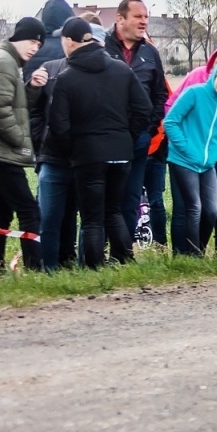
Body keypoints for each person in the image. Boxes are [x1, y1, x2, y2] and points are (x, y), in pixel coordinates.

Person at [49, 18, 152, 268]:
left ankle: (95, 268)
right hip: (121, 151)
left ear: (70, 42)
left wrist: (73, 150)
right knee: (113, 211)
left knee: (92, 218)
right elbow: (144, 109)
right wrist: (127, 135)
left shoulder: (66, 78)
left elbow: (59, 125)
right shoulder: (121, 70)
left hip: (88, 155)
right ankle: (124, 259)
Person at [0, 17, 45, 272]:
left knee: (1, 214)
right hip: (2, 152)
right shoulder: (5, 63)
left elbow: (8, 101)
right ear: (17, 37)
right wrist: (18, 140)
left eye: (38, 45)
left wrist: (31, 88)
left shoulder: (2, 59)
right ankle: (34, 268)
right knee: (29, 210)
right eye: (31, 41)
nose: (34, 48)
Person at [106, 0, 172, 248]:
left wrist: (149, 125)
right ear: (120, 19)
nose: (144, 21)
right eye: (138, 16)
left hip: (139, 138)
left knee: (131, 198)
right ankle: (96, 253)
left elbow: (160, 94)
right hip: (107, 138)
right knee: (105, 197)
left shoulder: (150, 52)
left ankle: (122, 253)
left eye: (146, 16)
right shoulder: (103, 47)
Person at [163, 55, 217, 257]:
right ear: (214, 75)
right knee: (194, 207)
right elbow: (170, 122)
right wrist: (186, 148)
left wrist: (214, 155)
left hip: (207, 163)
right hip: (182, 160)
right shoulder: (194, 93)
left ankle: (197, 249)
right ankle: (192, 256)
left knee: (212, 210)